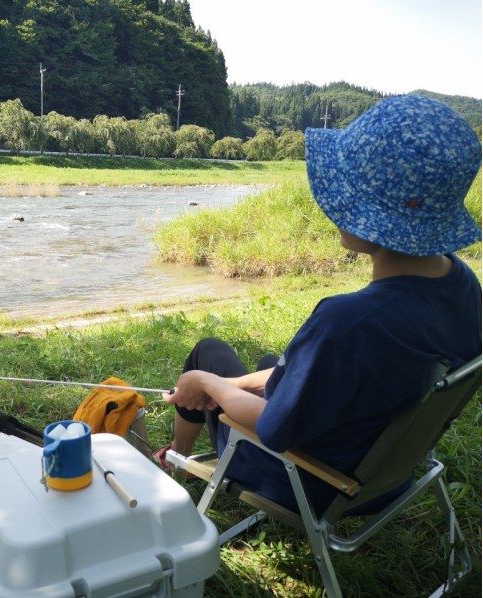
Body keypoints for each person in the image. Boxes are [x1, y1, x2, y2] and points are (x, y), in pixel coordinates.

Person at [156, 94, 482, 516]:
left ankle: (173, 461)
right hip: (384, 472)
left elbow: (273, 430)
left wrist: (206, 382)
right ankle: (195, 420)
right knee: (271, 363)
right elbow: (319, 374)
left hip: (309, 479)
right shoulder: (464, 285)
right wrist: (234, 386)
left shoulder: (347, 323)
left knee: (208, 355)